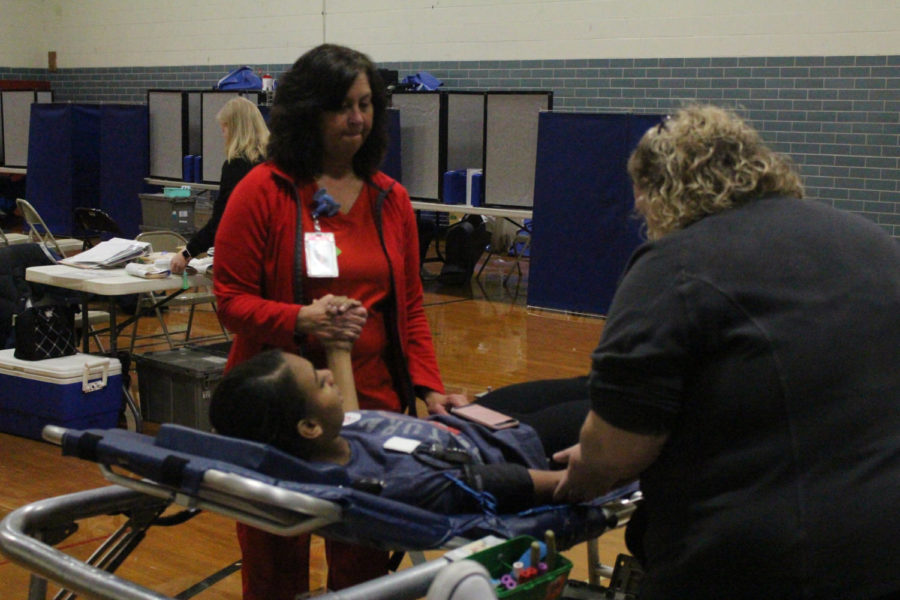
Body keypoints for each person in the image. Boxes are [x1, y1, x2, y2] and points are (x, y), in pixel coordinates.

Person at [552, 104, 900, 600]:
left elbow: (620, 448)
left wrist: (589, 465)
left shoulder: (674, 265)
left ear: (660, 192)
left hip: (768, 558)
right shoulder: (870, 239)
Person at [213, 43, 466, 598]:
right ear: (308, 111)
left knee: (364, 569)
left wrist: (429, 386)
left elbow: (411, 309)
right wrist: (302, 320)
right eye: (341, 106)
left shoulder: (389, 199)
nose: (357, 118)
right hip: (282, 407)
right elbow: (229, 300)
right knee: (274, 565)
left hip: (373, 407)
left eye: (366, 104)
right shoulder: (262, 191)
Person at [209, 348, 566, 515]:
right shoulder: (386, 482)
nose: (329, 375)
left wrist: (340, 348)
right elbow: (493, 482)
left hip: (476, 420)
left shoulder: (332, 438)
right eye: (321, 382)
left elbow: (348, 412)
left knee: (589, 385)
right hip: (523, 448)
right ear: (309, 427)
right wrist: (566, 480)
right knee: (614, 403)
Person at [169, 96, 268, 275]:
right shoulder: (274, 162)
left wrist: (187, 252)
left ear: (235, 129)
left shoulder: (237, 165)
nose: (224, 136)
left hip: (248, 260)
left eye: (224, 129)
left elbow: (223, 220)